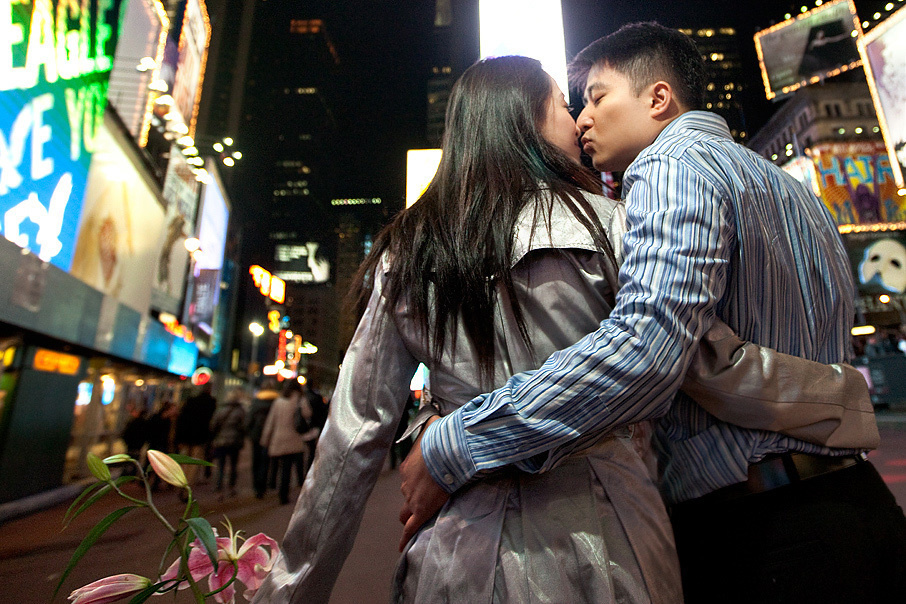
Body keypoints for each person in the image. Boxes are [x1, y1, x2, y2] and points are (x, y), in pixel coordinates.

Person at [252, 55, 869, 604]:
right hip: (609, 545)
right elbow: (693, 359)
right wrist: (840, 397)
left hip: (456, 553)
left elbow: (349, 442)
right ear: (523, 120)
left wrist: (290, 590)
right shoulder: (613, 224)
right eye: (562, 102)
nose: (577, 120)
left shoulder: (407, 251)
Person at [400, 24, 906, 604]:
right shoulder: (791, 189)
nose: (583, 118)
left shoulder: (671, 166)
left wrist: (457, 442)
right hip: (856, 508)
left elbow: (645, 349)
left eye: (597, 96)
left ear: (658, 98)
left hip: (767, 534)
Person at [259, 380, 309, 505]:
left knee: (272, 465)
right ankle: (283, 495)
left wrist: (265, 438)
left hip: (278, 438)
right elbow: (308, 414)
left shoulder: (279, 402)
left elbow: (271, 421)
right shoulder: (300, 401)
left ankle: (266, 487)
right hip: (293, 439)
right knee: (287, 468)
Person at [174, 382, 217, 488]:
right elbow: (211, 422)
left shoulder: (191, 401)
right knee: (194, 463)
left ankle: (180, 481)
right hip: (200, 437)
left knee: (184, 460)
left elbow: (181, 419)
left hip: (186, 436)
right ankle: (187, 486)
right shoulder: (211, 403)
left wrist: (178, 437)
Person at [209, 388, 248, 497]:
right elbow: (244, 426)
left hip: (221, 441)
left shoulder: (221, 409)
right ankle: (231, 487)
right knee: (233, 465)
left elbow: (213, 425)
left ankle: (218, 486)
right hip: (234, 442)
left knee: (220, 465)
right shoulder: (240, 411)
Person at [247, 378, 280, 499]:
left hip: (256, 434)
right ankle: (265, 484)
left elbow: (249, 419)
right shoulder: (276, 401)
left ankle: (257, 487)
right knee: (266, 461)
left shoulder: (256, 401)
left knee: (256, 460)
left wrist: (249, 431)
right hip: (271, 435)